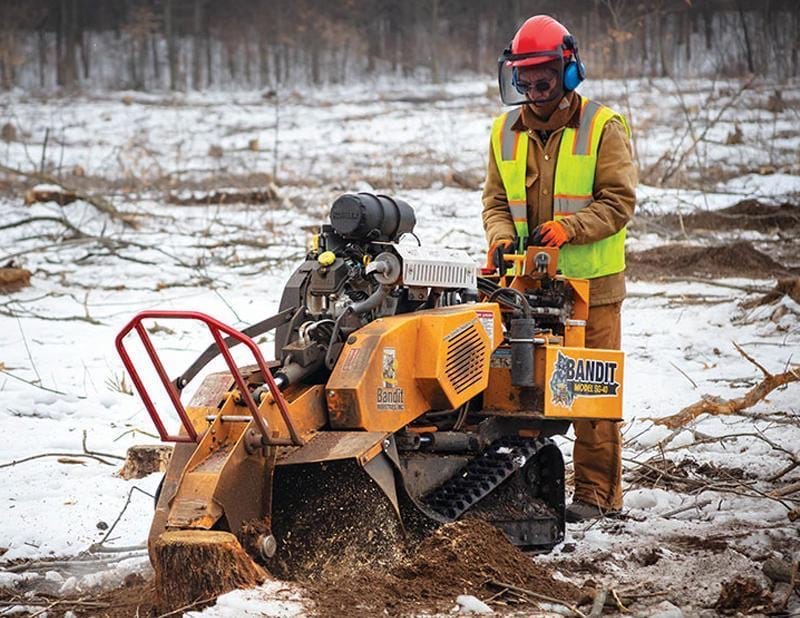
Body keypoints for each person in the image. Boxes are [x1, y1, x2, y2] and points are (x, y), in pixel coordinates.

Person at [481, 15, 637, 522]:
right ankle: (518, 484)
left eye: (543, 76)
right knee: (517, 386)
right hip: (526, 286)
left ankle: (596, 493)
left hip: (591, 285)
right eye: (524, 77)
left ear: (568, 71)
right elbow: (495, 202)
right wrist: (502, 238)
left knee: (590, 388)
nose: (533, 87)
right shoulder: (504, 132)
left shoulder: (602, 127)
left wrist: (572, 228)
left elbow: (619, 201)